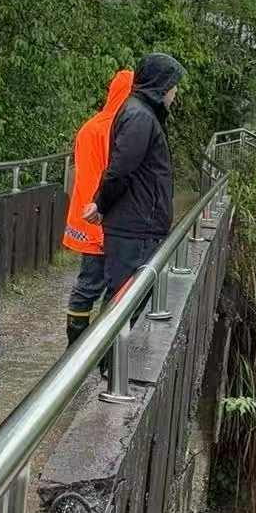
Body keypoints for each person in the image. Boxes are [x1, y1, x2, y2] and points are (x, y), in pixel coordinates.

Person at [84, 53, 184, 316]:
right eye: (173, 85)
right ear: (160, 85)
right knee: (124, 302)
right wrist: (101, 203)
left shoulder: (142, 113)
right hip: (135, 226)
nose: (175, 92)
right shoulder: (140, 116)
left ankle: (112, 356)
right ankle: (110, 357)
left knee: (124, 297)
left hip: (137, 224)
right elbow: (120, 169)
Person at [62, 67, 135, 347]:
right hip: (108, 217)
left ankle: (75, 347)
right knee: (114, 284)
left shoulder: (90, 126)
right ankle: (102, 347)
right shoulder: (121, 129)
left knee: (86, 284)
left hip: (85, 216)